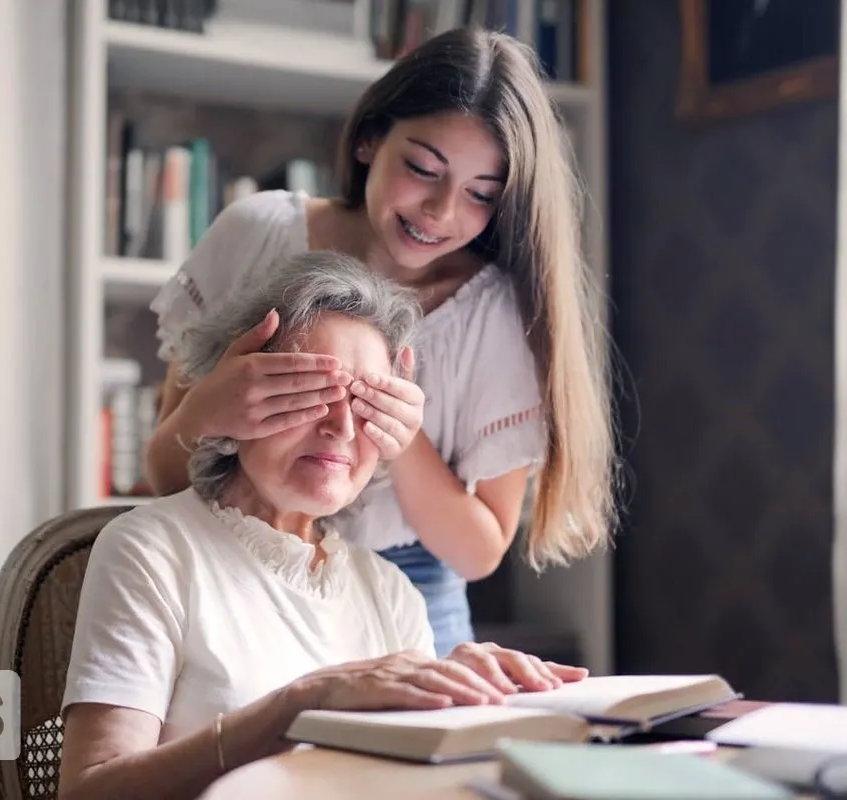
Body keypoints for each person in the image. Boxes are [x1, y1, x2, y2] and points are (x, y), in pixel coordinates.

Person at [143, 27, 617, 657]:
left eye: (481, 194)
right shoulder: (255, 234)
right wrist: (209, 409)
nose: (440, 211)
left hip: (412, 594)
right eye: (422, 168)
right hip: (235, 568)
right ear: (370, 139)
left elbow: (479, 552)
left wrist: (396, 431)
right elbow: (162, 476)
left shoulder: (494, 315)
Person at [58, 251, 588, 800]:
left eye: (367, 404)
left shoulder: (392, 595)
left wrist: (475, 702)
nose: (340, 427)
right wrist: (304, 701)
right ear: (241, 396)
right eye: (311, 392)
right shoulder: (151, 552)